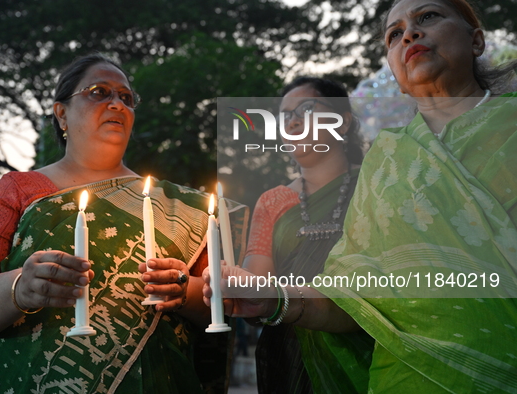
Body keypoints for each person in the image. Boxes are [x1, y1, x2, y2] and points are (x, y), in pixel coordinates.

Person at [204, 0, 517, 392]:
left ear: (476, 41)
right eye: (393, 34)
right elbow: (352, 298)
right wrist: (269, 299)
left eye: (428, 17)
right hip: (403, 377)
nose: (409, 34)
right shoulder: (387, 164)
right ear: (396, 72)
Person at [0, 53, 247, 393]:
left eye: (126, 98)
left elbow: (223, 304)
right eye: (99, 92)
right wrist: (20, 287)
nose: (117, 103)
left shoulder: (177, 205)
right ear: (61, 113)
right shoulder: (19, 188)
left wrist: (181, 289)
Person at [242, 77, 369, 393]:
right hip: (289, 356)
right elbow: (254, 292)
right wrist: (234, 288)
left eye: (307, 108)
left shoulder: (377, 184)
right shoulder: (272, 202)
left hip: (366, 348)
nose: (294, 120)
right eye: (285, 116)